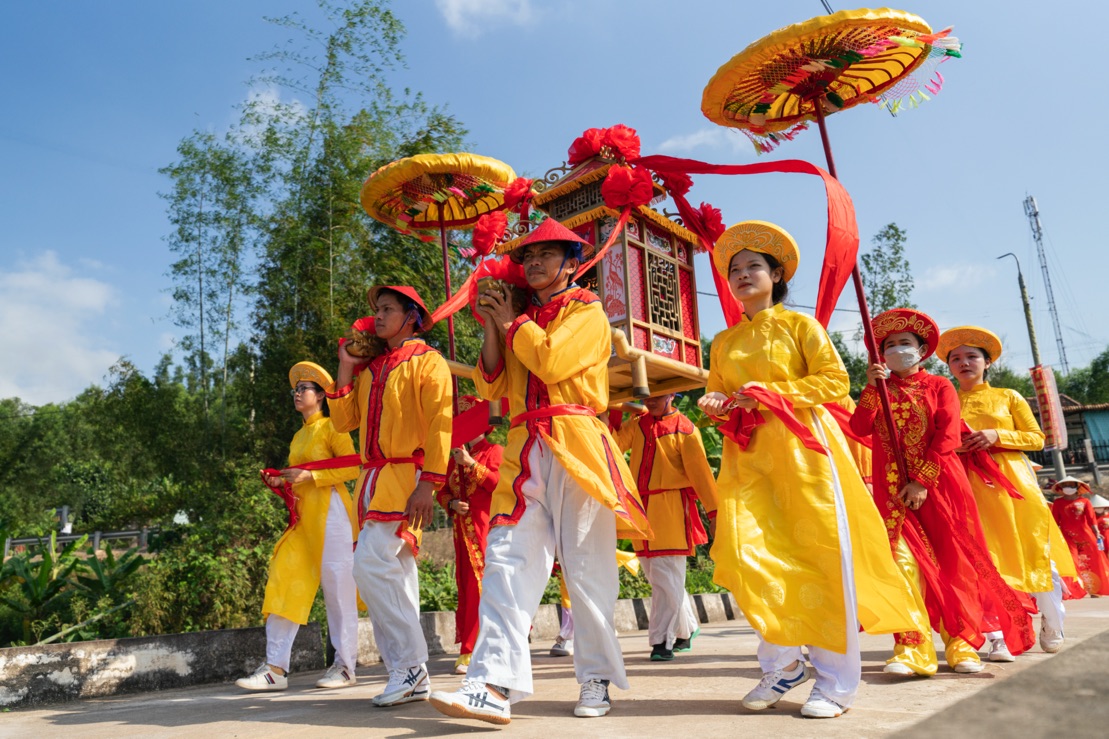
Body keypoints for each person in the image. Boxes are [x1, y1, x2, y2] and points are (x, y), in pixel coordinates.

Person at [429, 217, 650, 725]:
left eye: (545, 255)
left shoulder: (588, 311)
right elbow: (490, 386)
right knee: (505, 563)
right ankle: (492, 684)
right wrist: (492, 324)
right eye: (527, 256)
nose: (532, 263)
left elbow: (551, 362)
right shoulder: (520, 318)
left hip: (577, 441)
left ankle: (595, 676)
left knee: (586, 568)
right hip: (524, 445)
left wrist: (511, 322)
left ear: (572, 265)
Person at [697, 221, 918, 719]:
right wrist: (716, 404)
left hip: (805, 453)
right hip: (749, 457)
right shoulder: (724, 342)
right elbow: (718, 395)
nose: (742, 274)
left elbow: (834, 381)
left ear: (776, 275)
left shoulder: (801, 327)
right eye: (734, 269)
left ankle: (836, 683)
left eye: (754, 266)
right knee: (751, 555)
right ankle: (782, 665)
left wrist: (771, 394)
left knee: (821, 559)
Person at [851, 312, 1034, 677]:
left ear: (921, 350)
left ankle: (961, 643)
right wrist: (871, 389)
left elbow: (948, 436)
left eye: (905, 344)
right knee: (902, 564)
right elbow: (858, 428)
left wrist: (921, 481)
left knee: (954, 566)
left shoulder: (939, 386)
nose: (897, 350)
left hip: (940, 487)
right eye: (890, 345)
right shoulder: (879, 390)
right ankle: (911, 648)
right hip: (892, 492)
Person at [328, 285, 453, 707]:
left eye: (387, 309)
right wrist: (346, 366)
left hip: (404, 476)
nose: (378, 316)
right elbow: (344, 422)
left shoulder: (428, 361)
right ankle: (407, 674)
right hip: (373, 481)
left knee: (369, 566)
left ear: (411, 316)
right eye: (377, 310)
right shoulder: (373, 368)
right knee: (396, 575)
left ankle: (411, 666)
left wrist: (429, 482)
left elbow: (440, 425)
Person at [940, 326, 1078, 656]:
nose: (964, 363)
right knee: (982, 557)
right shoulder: (945, 400)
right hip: (967, 484)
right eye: (955, 359)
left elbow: (1037, 438)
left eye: (972, 356)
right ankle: (998, 634)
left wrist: (996, 435)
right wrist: (953, 446)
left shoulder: (1008, 396)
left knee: (1034, 552)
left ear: (987, 362)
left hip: (1012, 482)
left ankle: (1052, 619)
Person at [237, 362, 361, 691]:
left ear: (320, 396)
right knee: (284, 578)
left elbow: (352, 467)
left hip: (332, 515)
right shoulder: (298, 436)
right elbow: (299, 479)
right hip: (304, 519)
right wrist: (281, 481)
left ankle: (345, 666)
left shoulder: (334, 426)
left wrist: (312, 475)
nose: (297, 393)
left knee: (338, 590)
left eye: (304, 388)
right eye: (295, 389)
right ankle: (275, 669)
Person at [613, 393, 718, 661]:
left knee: (664, 576)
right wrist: (609, 410)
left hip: (671, 508)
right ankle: (686, 628)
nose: (650, 401)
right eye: (646, 396)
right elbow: (613, 447)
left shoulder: (685, 429)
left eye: (658, 396)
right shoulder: (638, 424)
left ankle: (662, 641)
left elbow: (703, 477)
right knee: (660, 578)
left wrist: (715, 514)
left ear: (672, 394)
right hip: (641, 508)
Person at [436, 395, 503, 675]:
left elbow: (497, 484)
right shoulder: (454, 458)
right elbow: (442, 491)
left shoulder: (494, 450)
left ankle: (474, 649)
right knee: (465, 587)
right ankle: (470, 645)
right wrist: (451, 503)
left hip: (485, 529)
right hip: (461, 532)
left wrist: (471, 464)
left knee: (483, 586)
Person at [1051, 477, 1109, 596]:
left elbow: (1091, 519)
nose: (1068, 487)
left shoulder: (1085, 501)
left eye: (1071, 485)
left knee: (1093, 560)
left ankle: (1095, 589)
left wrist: (1097, 532)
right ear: (1061, 488)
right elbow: (1055, 521)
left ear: (1077, 487)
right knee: (1072, 562)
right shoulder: (1058, 503)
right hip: (1067, 537)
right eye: (1065, 485)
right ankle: (1075, 590)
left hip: (1085, 535)